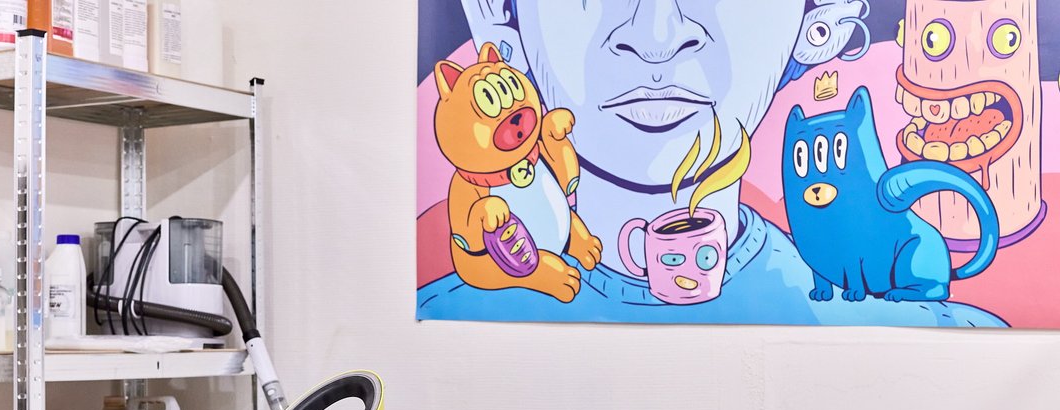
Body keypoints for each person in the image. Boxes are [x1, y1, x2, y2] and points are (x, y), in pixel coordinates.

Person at [417, 0, 1006, 326]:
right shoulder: (443, 316)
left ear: (818, 19)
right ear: (496, 15)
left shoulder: (937, 326)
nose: (657, 37)